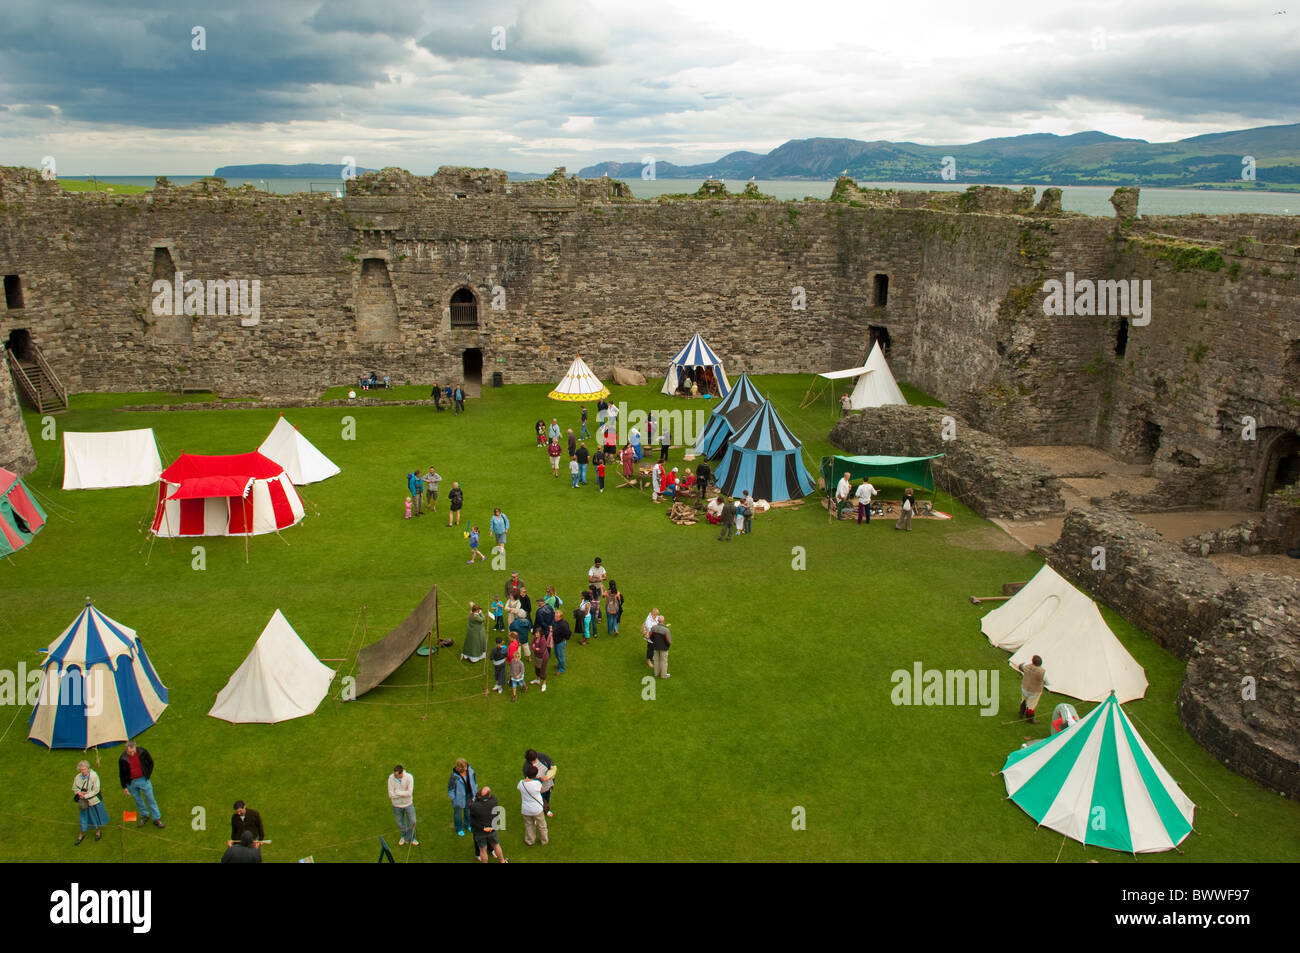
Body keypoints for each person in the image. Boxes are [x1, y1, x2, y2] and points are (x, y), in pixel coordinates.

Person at [119, 740, 165, 829]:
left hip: (143, 780)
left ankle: (157, 818)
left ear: (135, 748)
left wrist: (147, 774)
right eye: (129, 752)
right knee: (138, 800)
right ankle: (144, 815)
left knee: (150, 799)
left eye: (133, 751)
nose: (132, 753)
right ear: (126, 750)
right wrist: (124, 787)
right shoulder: (122, 759)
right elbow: (121, 774)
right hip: (131, 783)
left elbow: (151, 762)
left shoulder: (142, 752)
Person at [73, 760, 110, 845]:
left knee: (94, 817)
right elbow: (75, 787)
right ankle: (81, 834)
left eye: (84, 769)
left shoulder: (94, 776)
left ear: (88, 768)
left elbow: (96, 790)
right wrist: (79, 793)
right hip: (83, 802)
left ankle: (97, 831)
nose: (83, 771)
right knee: (82, 817)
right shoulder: (77, 777)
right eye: (81, 769)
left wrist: (85, 796)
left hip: (93, 801)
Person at [469, 787, 508, 863]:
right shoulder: (494, 801)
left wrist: (477, 797)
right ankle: (502, 861)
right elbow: (491, 796)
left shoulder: (475, 806)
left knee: (483, 850)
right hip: (492, 828)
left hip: (480, 832)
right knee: (496, 845)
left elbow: (472, 819)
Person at [518, 764, 549, 846]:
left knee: (529, 825)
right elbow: (542, 790)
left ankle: (530, 841)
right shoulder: (537, 784)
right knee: (542, 825)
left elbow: (519, 788)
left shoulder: (521, 783)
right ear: (535, 775)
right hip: (537, 809)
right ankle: (544, 840)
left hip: (525, 809)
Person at [447, 759, 477, 837]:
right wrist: (454, 799)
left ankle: (468, 824)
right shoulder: (454, 777)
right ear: (459, 768)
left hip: (470, 795)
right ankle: (459, 828)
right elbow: (450, 790)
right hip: (458, 799)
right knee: (458, 814)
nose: (466, 768)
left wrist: (475, 791)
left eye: (466, 766)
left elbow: (474, 782)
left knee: (468, 811)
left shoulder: (470, 771)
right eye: (464, 767)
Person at [389, 765, 417, 846]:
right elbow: (391, 794)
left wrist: (397, 792)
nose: (395, 776)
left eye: (396, 775)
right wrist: (403, 793)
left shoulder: (409, 777)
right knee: (400, 823)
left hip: (408, 804)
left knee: (412, 821)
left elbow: (409, 793)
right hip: (396, 805)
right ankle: (403, 836)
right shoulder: (391, 778)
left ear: (401, 773)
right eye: (394, 774)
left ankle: (412, 838)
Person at [523, 750, 557, 818]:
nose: (535, 761)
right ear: (529, 760)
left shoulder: (540, 755)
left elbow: (549, 760)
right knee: (537, 803)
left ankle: (546, 810)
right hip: (537, 789)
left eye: (536, 759)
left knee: (547, 799)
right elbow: (528, 780)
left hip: (548, 785)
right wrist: (540, 780)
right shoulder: (526, 767)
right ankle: (536, 817)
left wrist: (551, 766)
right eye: (533, 761)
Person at [1019, 655, 1046, 724]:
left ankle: (1021, 713)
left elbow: (1020, 666)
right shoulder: (1042, 671)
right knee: (1031, 705)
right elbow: (1048, 683)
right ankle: (1029, 719)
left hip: (1025, 687)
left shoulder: (1027, 666)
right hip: (1034, 691)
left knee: (1024, 700)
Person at [530, 623, 553, 692]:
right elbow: (531, 645)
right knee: (537, 668)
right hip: (537, 657)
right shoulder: (535, 638)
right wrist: (535, 648)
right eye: (535, 633)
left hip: (543, 658)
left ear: (541, 633)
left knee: (542, 670)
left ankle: (544, 683)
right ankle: (537, 680)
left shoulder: (543, 640)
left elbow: (541, 651)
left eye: (537, 633)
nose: (536, 635)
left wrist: (535, 648)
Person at [551, 608, 571, 674]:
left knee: (560, 656)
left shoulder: (563, 625)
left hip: (560, 642)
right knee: (557, 654)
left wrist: (564, 638)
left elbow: (568, 633)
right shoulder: (556, 622)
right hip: (556, 641)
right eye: (554, 616)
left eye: (556, 616)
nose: (555, 617)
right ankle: (559, 664)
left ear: (560, 617)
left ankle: (561, 669)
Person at [508, 634, 526, 701]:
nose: (515, 659)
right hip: (513, 677)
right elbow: (511, 668)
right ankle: (514, 696)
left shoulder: (521, 663)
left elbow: (522, 670)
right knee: (514, 686)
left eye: (517, 657)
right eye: (515, 657)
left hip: (519, 676)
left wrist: (519, 675)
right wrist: (511, 674)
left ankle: (525, 686)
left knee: (521, 683)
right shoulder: (512, 661)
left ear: (519, 657)